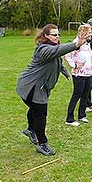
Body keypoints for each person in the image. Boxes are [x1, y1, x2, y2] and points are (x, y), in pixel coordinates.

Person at [17, 24, 88, 156]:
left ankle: (30, 129)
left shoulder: (54, 48)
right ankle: (42, 144)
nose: (57, 37)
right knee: (40, 114)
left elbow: (58, 60)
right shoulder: (43, 49)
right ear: (46, 36)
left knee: (35, 109)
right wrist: (76, 44)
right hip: (31, 87)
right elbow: (57, 52)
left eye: (58, 34)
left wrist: (65, 72)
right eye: (54, 35)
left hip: (38, 87)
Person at [64, 24, 92, 126]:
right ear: (83, 32)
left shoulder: (87, 43)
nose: (91, 34)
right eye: (89, 32)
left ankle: (82, 115)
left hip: (88, 73)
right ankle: (69, 118)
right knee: (77, 94)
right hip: (79, 74)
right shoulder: (76, 43)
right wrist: (74, 65)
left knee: (85, 94)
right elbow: (67, 55)